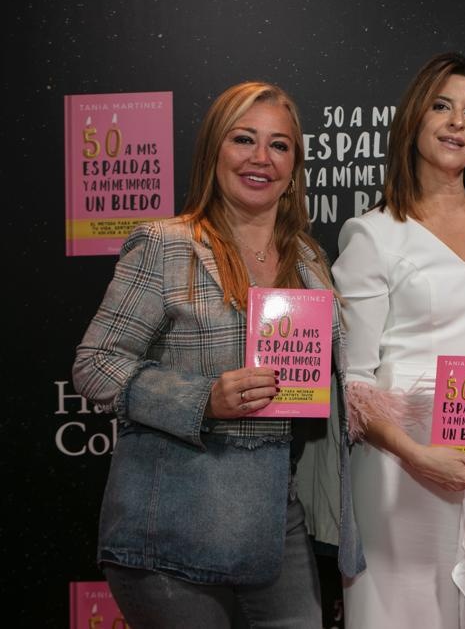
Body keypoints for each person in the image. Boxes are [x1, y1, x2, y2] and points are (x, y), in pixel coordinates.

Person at [73, 81, 363, 628]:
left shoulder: (307, 259)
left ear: (295, 166)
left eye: (279, 145)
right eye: (244, 139)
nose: (261, 158)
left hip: (275, 518)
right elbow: (96, 364)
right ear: (214, 150)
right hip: (173, 523)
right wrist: (203, 398)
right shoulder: (166, 244)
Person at [332, 52, 465, 628]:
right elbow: (354, 382)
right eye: (442, 106)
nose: (456, 123)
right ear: (414, 120)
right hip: (404, 467)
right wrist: (417, 457)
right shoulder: (373, 234)